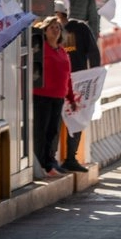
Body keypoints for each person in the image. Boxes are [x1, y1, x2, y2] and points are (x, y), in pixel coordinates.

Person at [56, 1, 101, 172]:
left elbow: (93, 52)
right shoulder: (45, 30)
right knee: (55, 121)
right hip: (57, 82)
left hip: (78, 81)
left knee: (76, 119)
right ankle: (51, 159)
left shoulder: (80, 28)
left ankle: (71, 157)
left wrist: (94, 78)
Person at [32, 18, 78, 179]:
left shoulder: (62, 51)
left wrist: (71, 99)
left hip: (58, 97)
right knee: (41, 131)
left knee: (53, 132)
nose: (55, 30)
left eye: (57, 27)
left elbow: (68, 77)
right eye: (51, 27)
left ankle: (50, 162)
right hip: (42, 96)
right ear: (45, 31)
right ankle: (41, 163)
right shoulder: (40, 50)